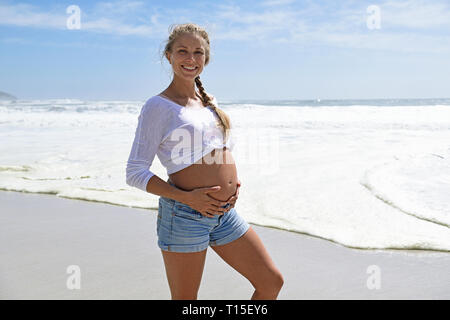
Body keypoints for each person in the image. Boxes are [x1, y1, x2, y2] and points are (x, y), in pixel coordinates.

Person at [126, 23, 283, 300]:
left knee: (271, 282)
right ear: (169, 56)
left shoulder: (209, 102)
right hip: (184, 216)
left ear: (206, 59)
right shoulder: (157, 106)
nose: (191, 58)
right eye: (182, 51)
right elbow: (135, 172)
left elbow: (216, 152)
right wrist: (186, 198)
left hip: (223, 214)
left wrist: (231, 182)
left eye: (198, 52)